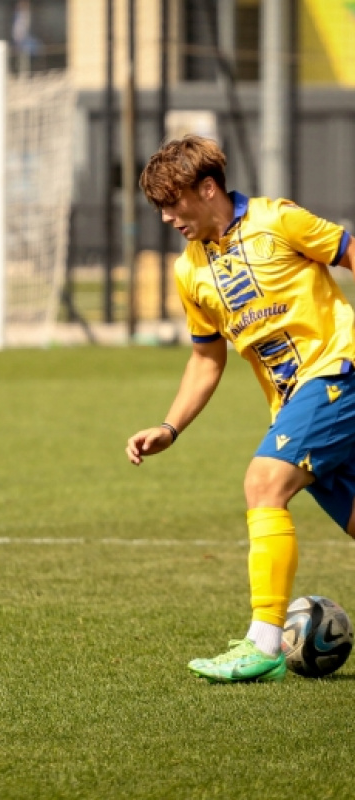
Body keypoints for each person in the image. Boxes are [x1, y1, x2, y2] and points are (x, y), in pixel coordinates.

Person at [126, 135, 355, 684]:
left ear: (207, 190)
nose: (167, 218)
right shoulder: (191, 272)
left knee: (263, 484)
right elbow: (206, 361)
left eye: (173, 203)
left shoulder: (279, 220)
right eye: (160, 208)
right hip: (292, 404)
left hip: (339, 371)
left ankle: (263, 644)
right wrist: (169, 426)